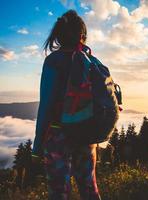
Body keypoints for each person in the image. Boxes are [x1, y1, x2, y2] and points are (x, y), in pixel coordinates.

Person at [32, 10, 102, 200]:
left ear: (59, 35)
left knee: (59, 192)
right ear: (82, 35)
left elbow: (46, 104)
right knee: (89, 188)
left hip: (58, 135)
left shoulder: (53, 61)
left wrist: (37, 145)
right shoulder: (91, 61)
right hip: (86, 133)